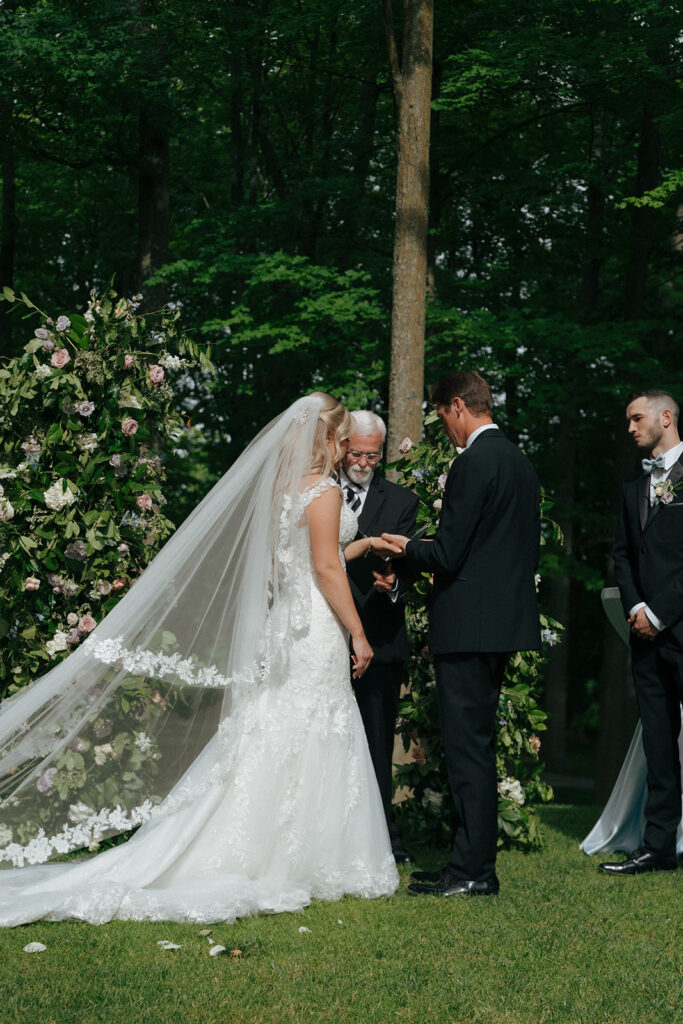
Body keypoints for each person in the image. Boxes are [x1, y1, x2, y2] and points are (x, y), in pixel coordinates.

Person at [0, 393, 401, 925]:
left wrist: (367, 542)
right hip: (314, 628)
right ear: (328, 439)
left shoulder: (283, 490)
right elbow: (325, 570)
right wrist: (359, 633)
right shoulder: (325, 491)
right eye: (342, 438)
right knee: (312, 725)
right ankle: (307, 855)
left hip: (287, 620)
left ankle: (269, 843)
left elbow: (305, 556)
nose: (346, 448)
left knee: (278, 725)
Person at [382, 371, 541, 897]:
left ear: (457, 406)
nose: (443, 428)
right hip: (501, 624)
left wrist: (406, 547)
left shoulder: (474, 462)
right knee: (476, 746)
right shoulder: (520, 462)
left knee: (467, 749)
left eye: (441, 416)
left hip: (469, 626)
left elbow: (449, 554)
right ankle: (467, 862)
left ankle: (474, 871)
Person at [597, 389, 683, 876]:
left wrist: (661, 612)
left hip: (677, 625)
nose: (630, 428)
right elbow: (623, 553)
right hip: (645, 637)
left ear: (665, 417)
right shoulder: (634, 487)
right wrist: (636, 607)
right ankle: (658, 847)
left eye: (637, 419)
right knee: (657, 743)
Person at [341, 411, 419, 865]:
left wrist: (396, 587)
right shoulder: (322, 491)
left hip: (381, 635)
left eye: (373, 455)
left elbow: (410, 562)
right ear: (342, 446)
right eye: (357, 452)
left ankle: (384, 838)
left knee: (375, 741)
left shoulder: (402, 500)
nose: (365, 462)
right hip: (327, 633)